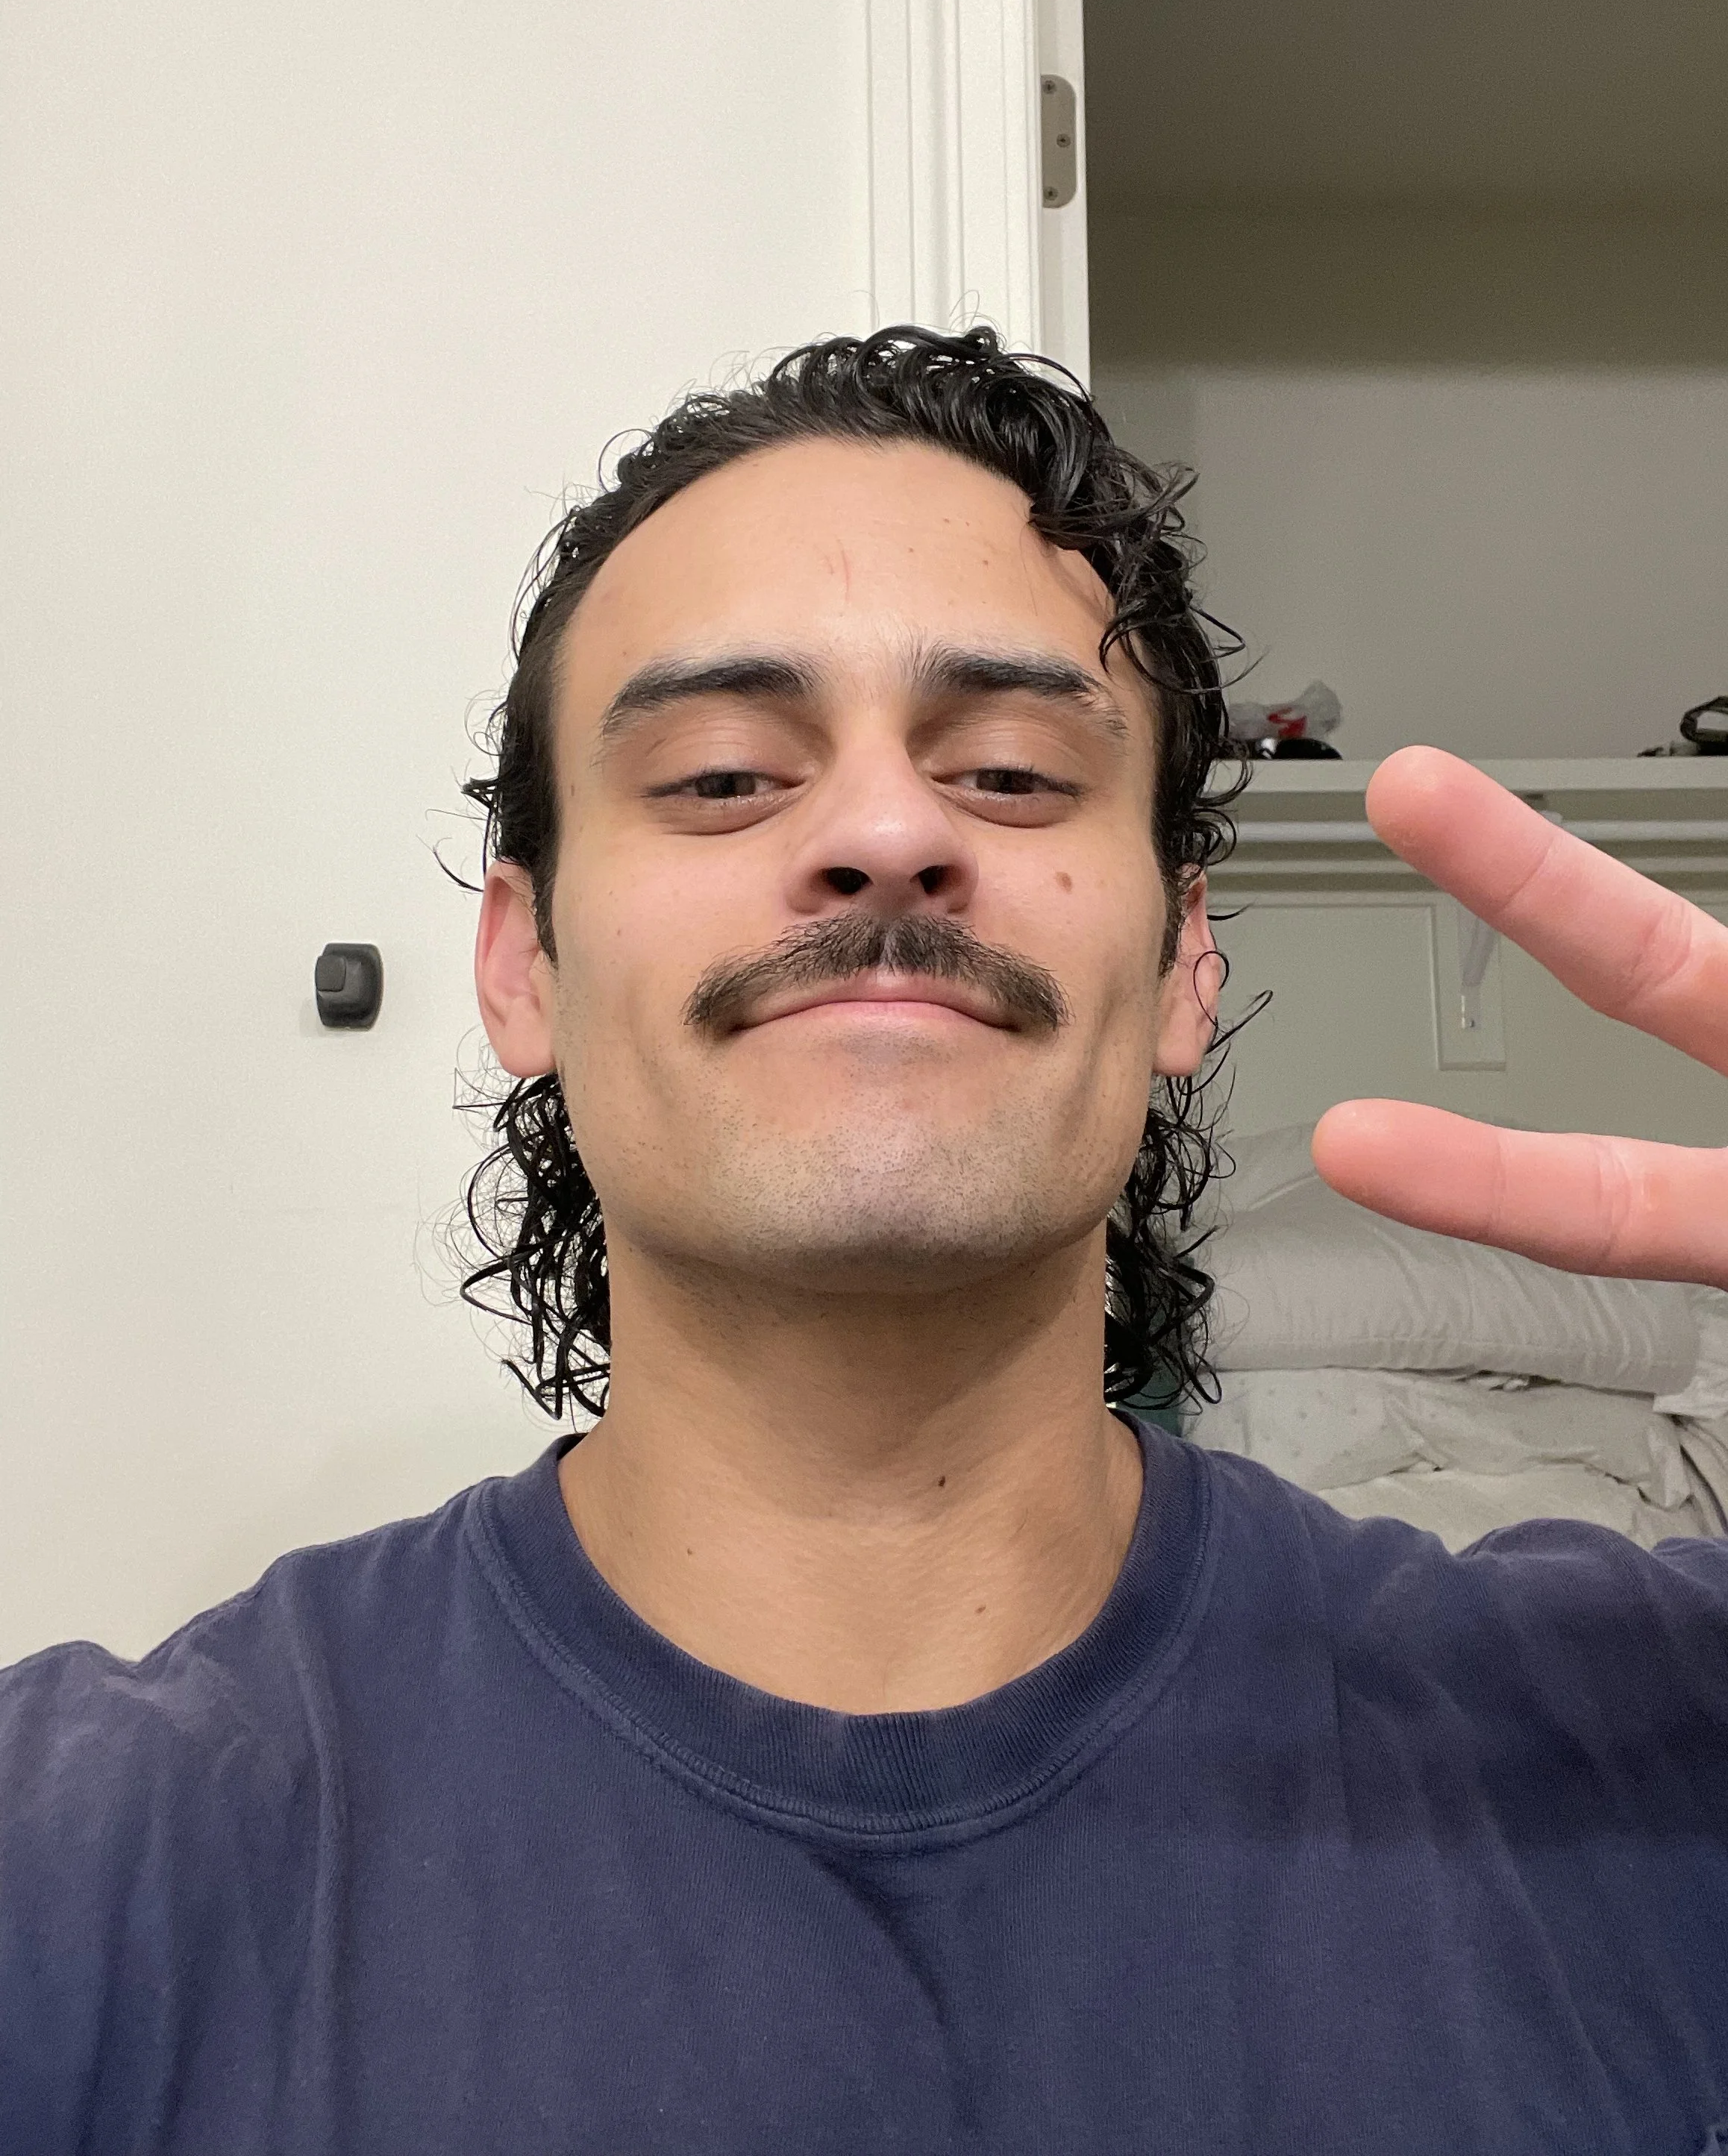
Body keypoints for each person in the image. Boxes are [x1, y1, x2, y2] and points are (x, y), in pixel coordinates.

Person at [2, 328, 1725, 2155]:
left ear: (1184, 961)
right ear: (524, 964)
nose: (889, 827)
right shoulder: (87, 1861)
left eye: (1007, 772)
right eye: (730, 774)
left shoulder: (1649, 1753)